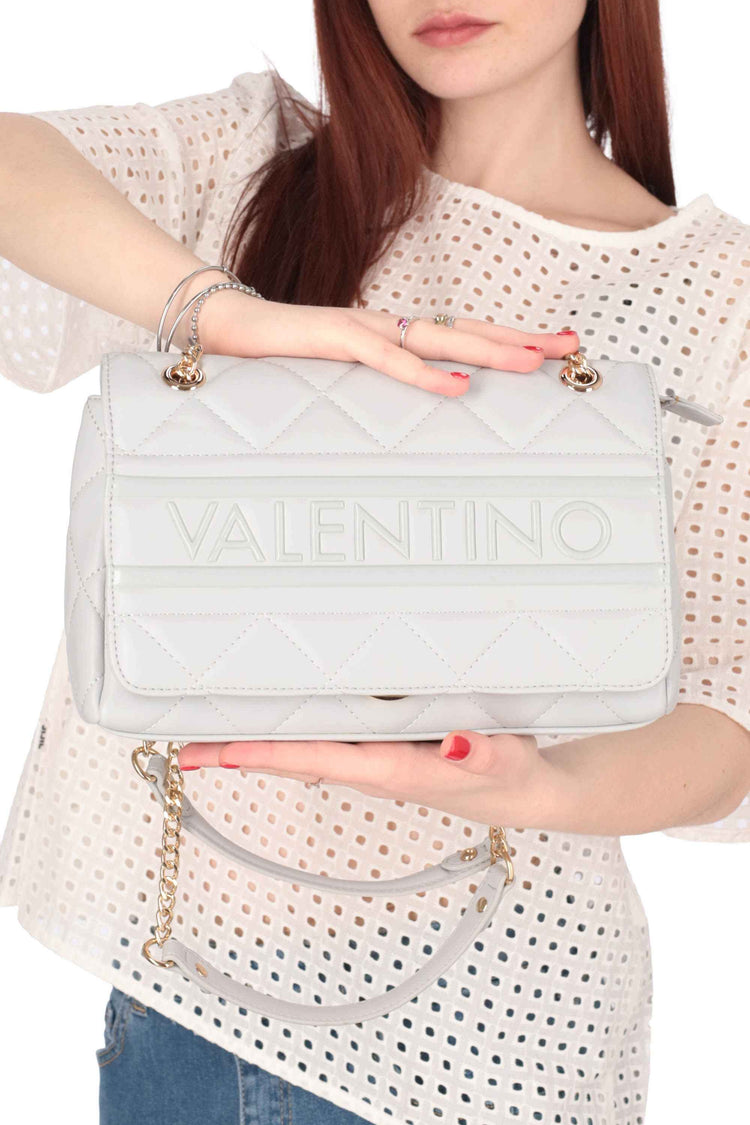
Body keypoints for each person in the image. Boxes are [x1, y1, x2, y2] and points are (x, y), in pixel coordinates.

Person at [1, 2, 749, 1123]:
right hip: (196, 1008)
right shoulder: (252, 161)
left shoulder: (717, 292)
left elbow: (729, 715)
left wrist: (544, 786)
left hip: (502, 1037)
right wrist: (227, 316)